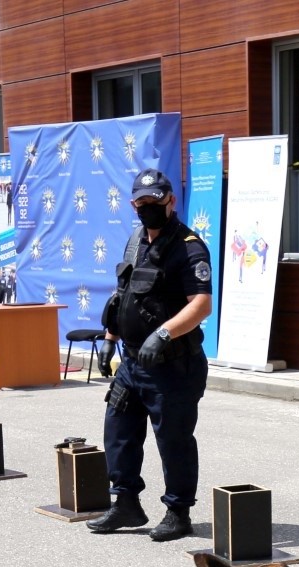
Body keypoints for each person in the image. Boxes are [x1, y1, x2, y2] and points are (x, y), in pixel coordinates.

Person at [87, 169, 214, 543]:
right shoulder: (134, 241)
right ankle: (126, 501)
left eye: (156, 202)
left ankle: (178, 512)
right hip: (132, 363)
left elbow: (202, 304)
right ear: (133, 205)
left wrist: (164, 333)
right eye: (142, 203)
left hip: (173, 364)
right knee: (119, 430)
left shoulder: (189, 246)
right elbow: (123, 294)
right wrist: (110, 336)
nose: (149, 208)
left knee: (173, 439)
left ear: (171, 201)